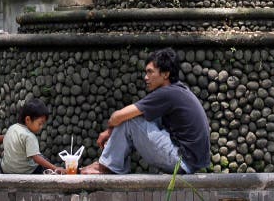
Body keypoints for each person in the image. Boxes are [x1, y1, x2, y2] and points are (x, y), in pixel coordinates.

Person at [80, 48, 210, 175]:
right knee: (144, 116)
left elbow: (117, 117)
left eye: (150, 72)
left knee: (131, 119)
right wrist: (111, 131)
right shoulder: (178, 90)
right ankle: (107, 165)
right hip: (189, 162)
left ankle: (106, 167)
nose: (145, 77)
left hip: (181, 161)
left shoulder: (167, 93)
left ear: (166, 74)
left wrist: (109, 130)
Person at [0, 98, 64, 174]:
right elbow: (37, 158)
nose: (41, 127)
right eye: (40, 123)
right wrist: (55, 168)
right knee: (44, 162)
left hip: (6, 170)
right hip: (23, 172)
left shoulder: (12, 128)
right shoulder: (29, 136)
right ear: (28, 119)